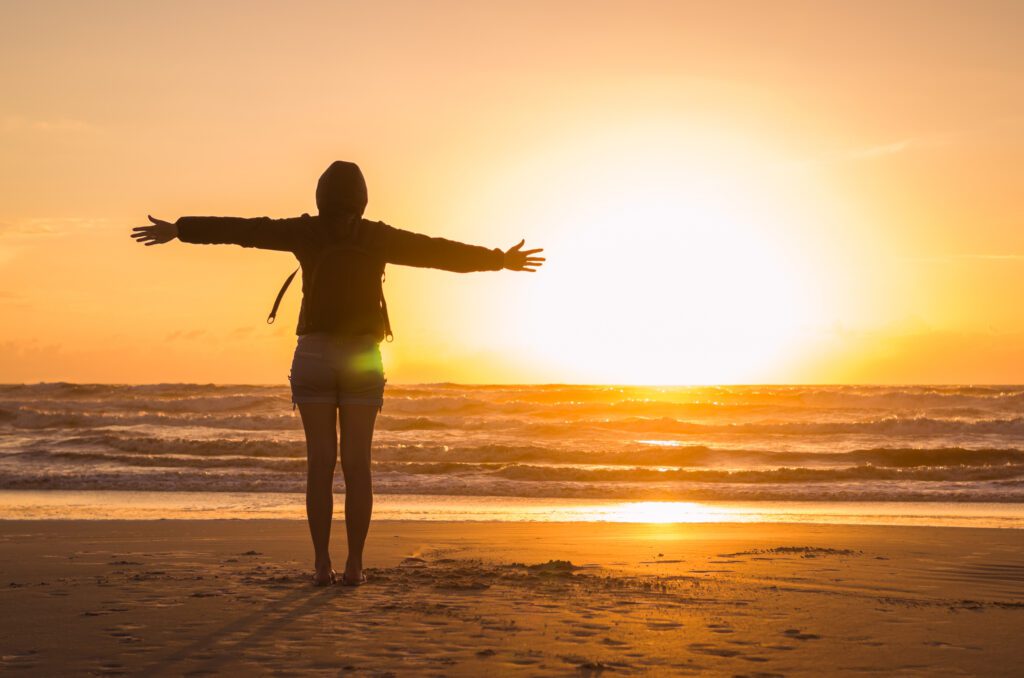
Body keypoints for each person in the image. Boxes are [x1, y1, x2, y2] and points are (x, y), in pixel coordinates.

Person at [131, 161, 544, 586]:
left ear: (320, 197)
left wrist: (180, 229)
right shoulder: (376, 236)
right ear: (362, 199)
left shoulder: (304, 232)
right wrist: (500, 260)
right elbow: (437, 251)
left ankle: (320, 565)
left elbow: (244, 230)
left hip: (314, 355)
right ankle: (355, 566)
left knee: (320, 464)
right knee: (357, 465)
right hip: (363, 356)